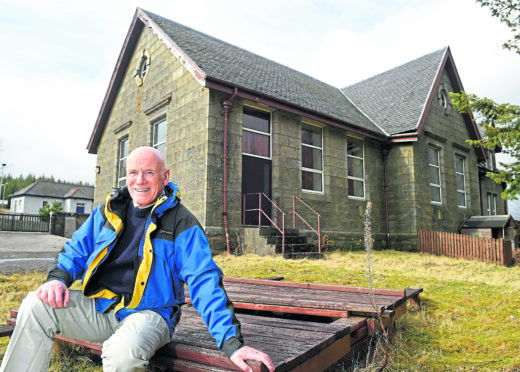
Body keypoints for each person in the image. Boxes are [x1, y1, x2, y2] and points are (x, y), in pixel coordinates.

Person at [0, 146, 275, 372]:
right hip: (101, 308)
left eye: (148, 173)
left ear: (164, 177)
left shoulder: (183, 223)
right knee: (35, 306)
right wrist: (58, 280)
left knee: (123, 354)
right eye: (133, 172)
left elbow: (204, 282)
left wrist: (232, 343)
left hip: (151, 314)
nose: (139, 180)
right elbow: (75, 252)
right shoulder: (106, 212)